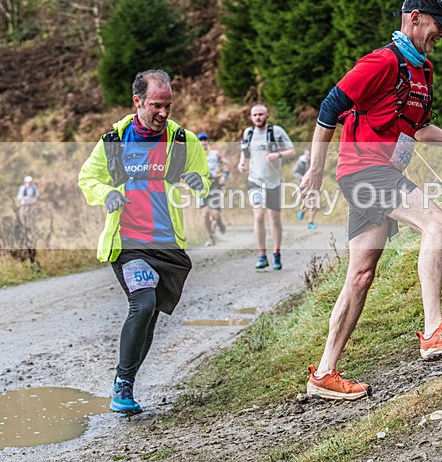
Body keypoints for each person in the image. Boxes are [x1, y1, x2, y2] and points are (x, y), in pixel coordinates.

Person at [299, 0, 442, 401]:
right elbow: (329, 108)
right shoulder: (382, 61)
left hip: (378, 171)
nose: (440, 36)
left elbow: (414, 128)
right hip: (365, 168)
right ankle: (435, 329)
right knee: (437, 222)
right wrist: (314, 168)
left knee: (361, 274)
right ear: (414, 19)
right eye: (437, 28)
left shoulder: (423, 71)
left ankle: (324, 374)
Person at [78, 69, 210, 415]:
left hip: (167, 244)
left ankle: (127, 383)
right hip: (128, 243)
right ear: (137, 102)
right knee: (143, 303)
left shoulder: (183, 140)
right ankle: (122, 383)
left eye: (168, 105)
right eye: (156, 105)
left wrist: (199, 182)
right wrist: (106, 193)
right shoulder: (114, 141)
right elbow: (87, 177)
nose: (163, 113)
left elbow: (203, 179)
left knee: (150, 315)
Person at [237, 104, 295, 270]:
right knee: (259, 215)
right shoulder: (248, 133)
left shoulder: (276, 131)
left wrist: (278, 154)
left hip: (274, 181)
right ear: (251, 117)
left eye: (261, 114)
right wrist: (242, 163)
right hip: (255, 180)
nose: (258, 118)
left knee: (274, 218)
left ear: (267, 115)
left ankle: (276, 253)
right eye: (255, 115)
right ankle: (262, 255)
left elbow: (291, 150)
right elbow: (245, 152)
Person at [198, 132, 229, 246]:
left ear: (208, 141)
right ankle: (210, 236)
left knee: (215, 214)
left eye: (205, 140)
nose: (203, 142)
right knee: (205, 215)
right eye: (201, 140)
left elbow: (226, 164)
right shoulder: (195, 155)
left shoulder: (215, 153)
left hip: (214, 185)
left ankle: (219, 222)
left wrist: (224, 176)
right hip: (200, 187)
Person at [293, 148, 317, 229]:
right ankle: (302, 211)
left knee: (314, 203)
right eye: (307, 154)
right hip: (303, 185)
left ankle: (310, 222)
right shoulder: (301, 162)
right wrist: (302, 177)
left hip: (313, 184)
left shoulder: (315, 161)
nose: (308, 156)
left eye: (309, 155)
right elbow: (295, 172)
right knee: (307, 202)